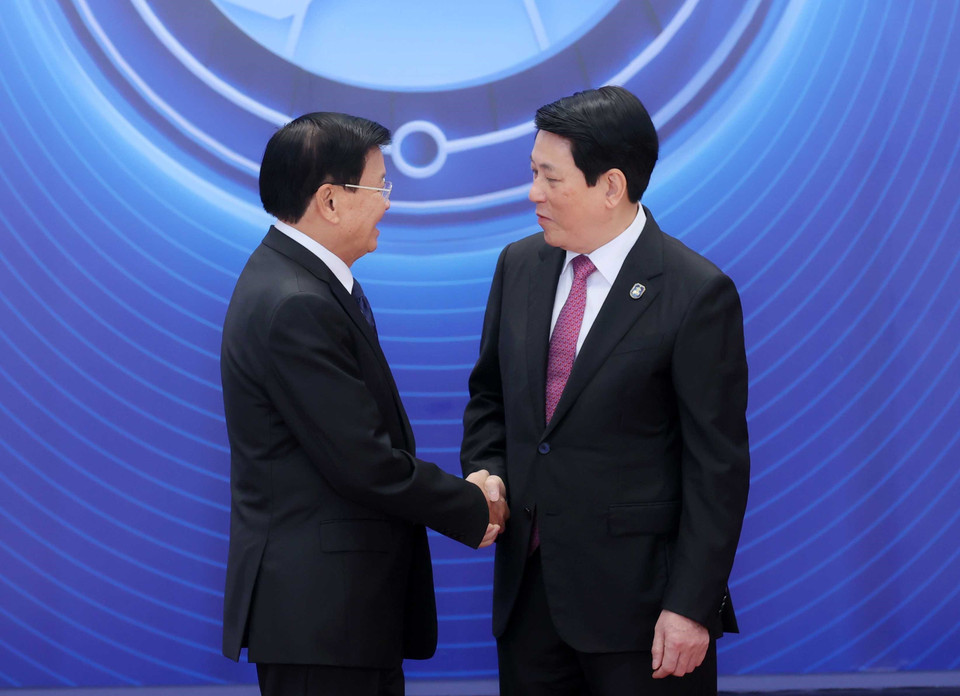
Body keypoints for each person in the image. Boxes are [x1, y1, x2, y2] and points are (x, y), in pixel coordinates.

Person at [461, 86, 750, 695]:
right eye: (532, 173)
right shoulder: (519, 266)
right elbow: (490, 396)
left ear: (611, 185)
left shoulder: (695, 293)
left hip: (642, 615)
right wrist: (485, 470)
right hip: (529, 602)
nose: (533, 193)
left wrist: (691, 606)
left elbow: (716, 466)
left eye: (550, 178)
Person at [220, 112, 507, 696]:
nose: (388, 204)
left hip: (337, 617)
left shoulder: (302, 280)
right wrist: (472, 506)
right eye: (380, 187)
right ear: (329, 200)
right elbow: (362, 460)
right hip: (322, 617)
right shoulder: (296, 301)